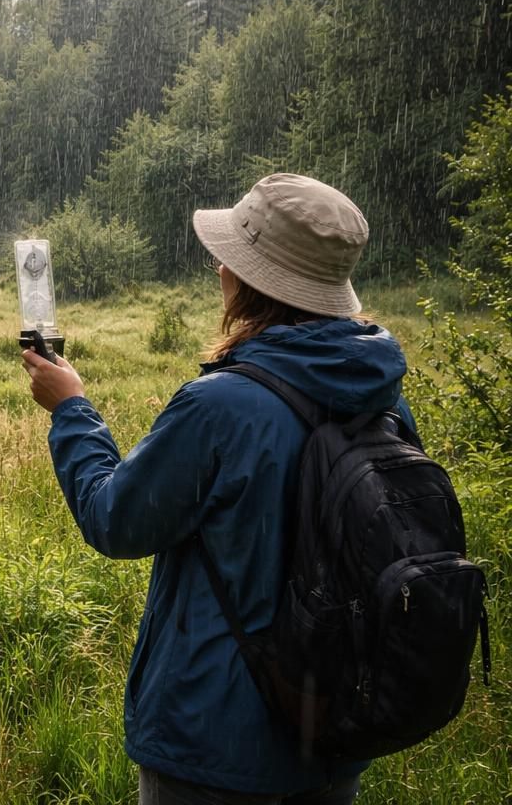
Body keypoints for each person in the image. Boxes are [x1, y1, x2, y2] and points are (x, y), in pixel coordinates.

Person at [22, 174, 410, 805]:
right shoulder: (385, 399)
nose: (219, 267)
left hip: (213, 747)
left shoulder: (220, 406)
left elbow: (114, 520)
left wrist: (71, 410)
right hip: (333, 726)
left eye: (230, 257)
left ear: (248, 281)